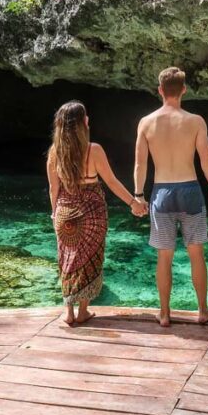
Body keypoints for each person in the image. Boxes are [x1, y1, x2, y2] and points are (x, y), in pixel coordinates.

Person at [134, 67, 208, 327]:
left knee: (165, 256)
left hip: (161, 192)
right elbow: (206, 160)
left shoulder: (146, 122)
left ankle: (164, 314)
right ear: (184, 89)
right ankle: (203, 311)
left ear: (160, 90)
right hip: (190, 191)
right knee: (197, 254)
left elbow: (140, 165)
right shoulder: (195, 121)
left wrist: (139, 196)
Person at [47, 101, 146, 326]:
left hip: (64, 213)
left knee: (67, 259)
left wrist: (55, 214)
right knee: (90, 259)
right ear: (84, 123)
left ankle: (68, 312)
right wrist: (133, 202)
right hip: (92, 213)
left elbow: (54, 188)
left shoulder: (54, 152)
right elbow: (111, 181)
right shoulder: (94, 150)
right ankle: (83, 311)